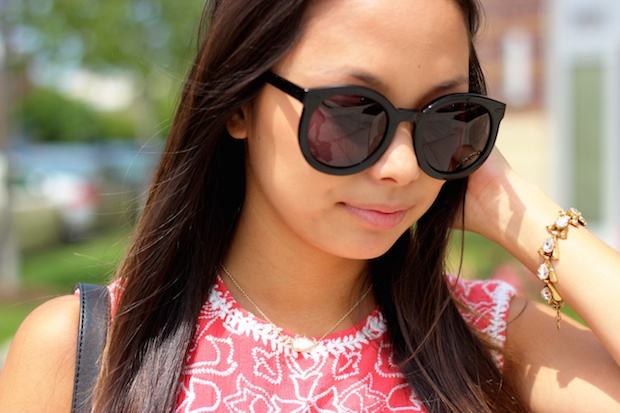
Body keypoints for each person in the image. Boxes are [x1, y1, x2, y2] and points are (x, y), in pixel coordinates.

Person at [1, 0, 619, 411]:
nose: (402, 165)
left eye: (443, 117)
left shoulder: (483, 336)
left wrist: (520, 208)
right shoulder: (85, 350)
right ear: (239, 103)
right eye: (352, 113)